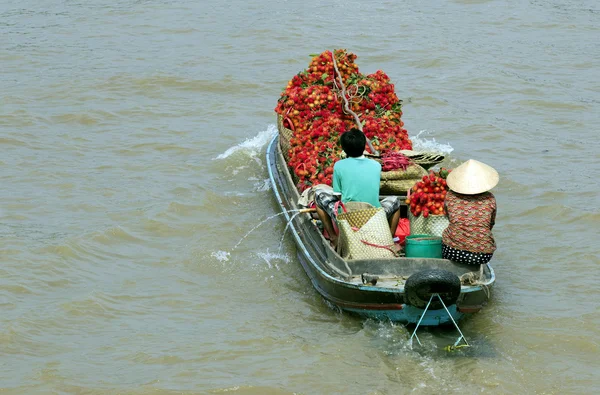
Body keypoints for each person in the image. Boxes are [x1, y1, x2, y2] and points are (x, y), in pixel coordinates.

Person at [314, 128, 401, 248]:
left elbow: (338, 196)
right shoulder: (376, 165)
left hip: (348, 217)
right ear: (364, 146)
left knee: (318, 194)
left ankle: (333, 237)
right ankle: (389, 238)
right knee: (395, 200)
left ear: (344, 149)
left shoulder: (339, 165)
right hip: (374, 216)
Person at [442, 159, 498, 265]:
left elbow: (449, 218)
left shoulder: (450, 196)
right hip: (483, 255)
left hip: (453, 252)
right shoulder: (490, 198)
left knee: (447, 234)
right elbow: (491, 224)